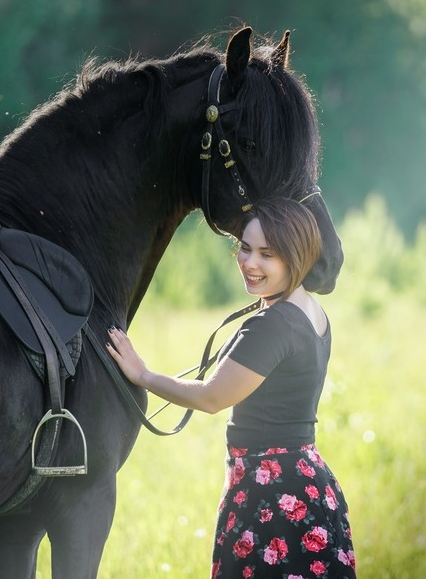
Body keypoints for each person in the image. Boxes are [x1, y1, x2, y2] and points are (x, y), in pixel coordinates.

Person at [106, 196, 356, 578]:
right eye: (245, 247)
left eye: (267, 254)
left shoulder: (274, 323)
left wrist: (142, 375)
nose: (249, 263)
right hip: (309, 483)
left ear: (297, 257)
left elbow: (210, 397)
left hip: (270, 492)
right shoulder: (312, 312)